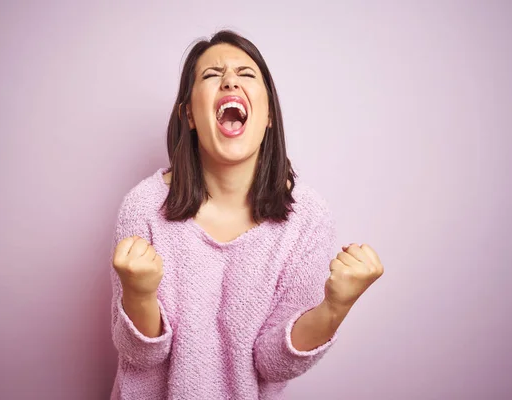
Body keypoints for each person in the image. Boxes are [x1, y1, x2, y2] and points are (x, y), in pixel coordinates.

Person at [109, 30, 384, 400]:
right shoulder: (144, 206)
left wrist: (336, 308)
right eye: (211, 75)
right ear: (189, 114)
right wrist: (139, 293)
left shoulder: (308, 218)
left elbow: (273, 363)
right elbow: (139, 356)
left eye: (245, 73)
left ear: (268, 113)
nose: (229, 80)